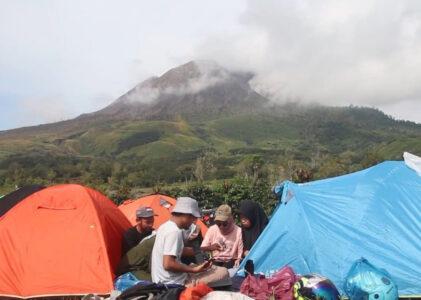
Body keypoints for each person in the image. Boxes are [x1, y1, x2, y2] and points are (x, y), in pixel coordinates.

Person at [151, 197, 229, 286]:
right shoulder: (174, 232)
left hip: (162, 279)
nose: (194, 222)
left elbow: (180, 251)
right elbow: (168, 264)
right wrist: (193, 270)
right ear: (186, 215)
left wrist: (207, 248)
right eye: (193, 218)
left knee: (205, 267)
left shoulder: (165, 226)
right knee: (223, 272)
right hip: (173, 283)